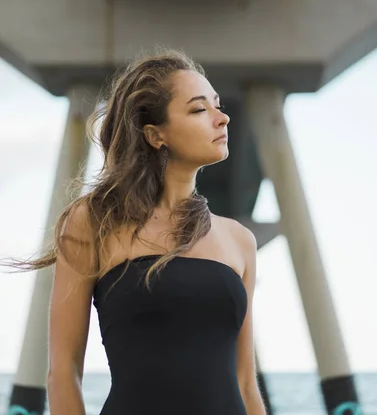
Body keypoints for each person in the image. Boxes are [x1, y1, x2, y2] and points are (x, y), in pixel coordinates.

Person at [9, 48, 267, 415]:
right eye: (199, 109)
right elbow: (64, 372)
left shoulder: (239, 240)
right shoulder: (93, 223)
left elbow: (245, 381)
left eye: (218, 105)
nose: (222, 118)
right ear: (155, 134)